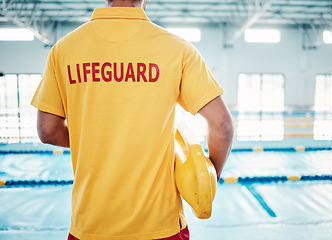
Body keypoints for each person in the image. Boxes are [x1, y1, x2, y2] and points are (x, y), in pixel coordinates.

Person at [31, 0, 234, 239]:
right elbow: (222, 126)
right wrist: (208, 178)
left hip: (90, 226)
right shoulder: (177, 49)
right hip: (161, 225)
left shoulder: (64, 49)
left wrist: (96, 140)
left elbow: (47, 131)